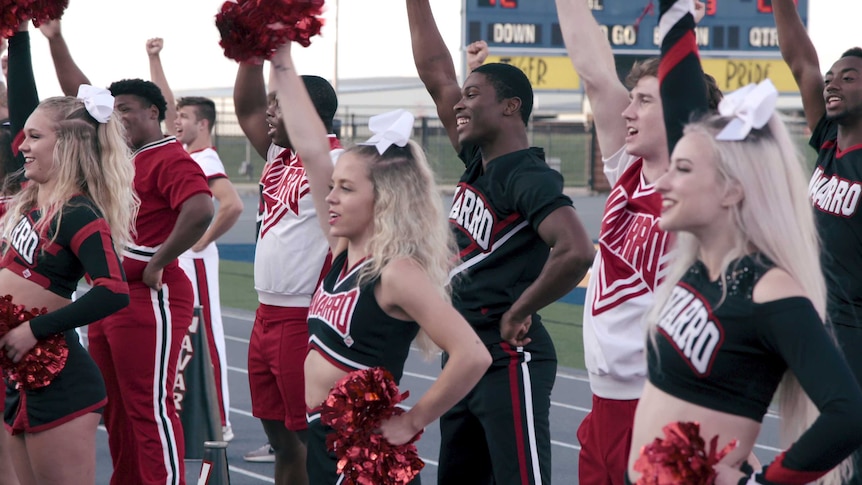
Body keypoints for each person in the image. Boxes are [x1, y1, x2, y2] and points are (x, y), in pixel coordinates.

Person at [627, 2, 862, 484]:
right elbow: (688, 114)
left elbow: (848, 414)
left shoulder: (769, 290)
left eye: (684, 169)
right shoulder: (706, 264)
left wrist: (761, 482)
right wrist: (679, 18)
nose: (666, 180)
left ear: (733, 189)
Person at [269, 40, 491, 484]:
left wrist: (413, 421)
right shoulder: (341, 252)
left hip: (362, 458)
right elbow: (312, 149)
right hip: (323, 440)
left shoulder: (396, 273)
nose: (330, 198)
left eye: (347, 189)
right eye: (333, 186)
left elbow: (472, 355)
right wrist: (281, 60)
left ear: (384, 199)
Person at [406, 1, 596, 483]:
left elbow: (576, 249)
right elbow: (434, 72)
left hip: (508, 356)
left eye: (473, 95)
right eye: (462, 96)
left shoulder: (527, 175)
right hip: (464, 354)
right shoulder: (479, 162)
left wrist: (519, 309)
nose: (460, 103)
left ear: (510, 106)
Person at [41, 19, 215, 485]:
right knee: (113, 407)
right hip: (109, 296)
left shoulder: (169, 155)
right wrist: (55, 39)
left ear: (156, 112)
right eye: (114, 110)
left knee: (149, 406)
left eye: (129, 109)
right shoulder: (117, 157)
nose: (118, 117)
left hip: (148, 296)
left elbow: (201, 207)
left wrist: (159, 260)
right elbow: (77, 93)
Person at [553, 1, 721, 482]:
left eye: (644, 100)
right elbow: (595, 75)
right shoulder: (626, 171)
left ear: (679, 110)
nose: (627, 110)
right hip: (601, 406)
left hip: (657, 404)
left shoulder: (694, 188)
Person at [0, 83, 138, 482]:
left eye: (36, 136)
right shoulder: (33, 202)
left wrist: (32, 330)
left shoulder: (80, 212)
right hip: (20, 376)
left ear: (69, 144)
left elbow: (113, 291)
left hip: (59, 379)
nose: (23, 144)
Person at [232, 40, 343, 482]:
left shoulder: (337, 161)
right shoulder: (280, 154)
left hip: (304, 318)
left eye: (279, 104)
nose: (269, 113)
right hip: (265, 315)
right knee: (280, 441)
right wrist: (250, 48)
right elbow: (245, 108)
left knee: (313, 439)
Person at [772, 3, 862, 483]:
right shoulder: (829, 139)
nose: (831, 83)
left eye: (848, 77)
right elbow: (800, 62)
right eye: (832, 77)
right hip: (816, 318)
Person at [146, 37, 244, 442]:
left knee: (209, 335)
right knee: (186, 334)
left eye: (185, 117)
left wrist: (200, 243)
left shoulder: (206, 159)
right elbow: (163, 111)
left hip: (197, 261)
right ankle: (199, 414)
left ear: (202, 123)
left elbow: (232, 205)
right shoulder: (185, 156)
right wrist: (154, 60)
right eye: (177, 116)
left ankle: (220, 421)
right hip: (184, 259)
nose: (177, 122)